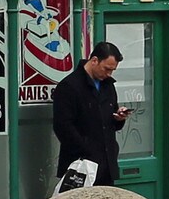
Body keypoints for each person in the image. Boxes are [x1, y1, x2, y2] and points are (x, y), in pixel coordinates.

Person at [52, 43, 128, 187]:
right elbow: (63, 126)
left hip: (106, 165)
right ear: (94, 60)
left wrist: (118, 118)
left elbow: (110, 121)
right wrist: (86, 150)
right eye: (106, 69)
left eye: (113, 70)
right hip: (80, 165)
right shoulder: (69, 86)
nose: (109, 74)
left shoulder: (108, 85)